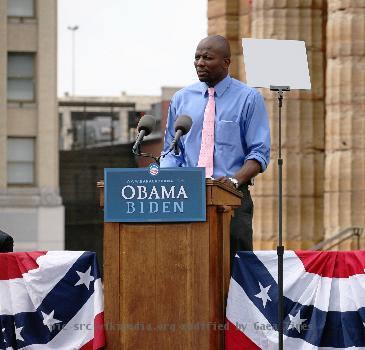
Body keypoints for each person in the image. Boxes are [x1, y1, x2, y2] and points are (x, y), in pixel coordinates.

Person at [160, 35, 270, 268]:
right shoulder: (181, 99)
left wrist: (233, 181)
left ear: (226, 62)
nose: (200, 62)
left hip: (232, 198)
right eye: (197, 57)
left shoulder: (249, 98)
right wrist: (170, 178)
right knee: (187, 266)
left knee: (235, 270)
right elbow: (171, 150)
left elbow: (259, 154)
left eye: (207, 58)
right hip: (186, 198)